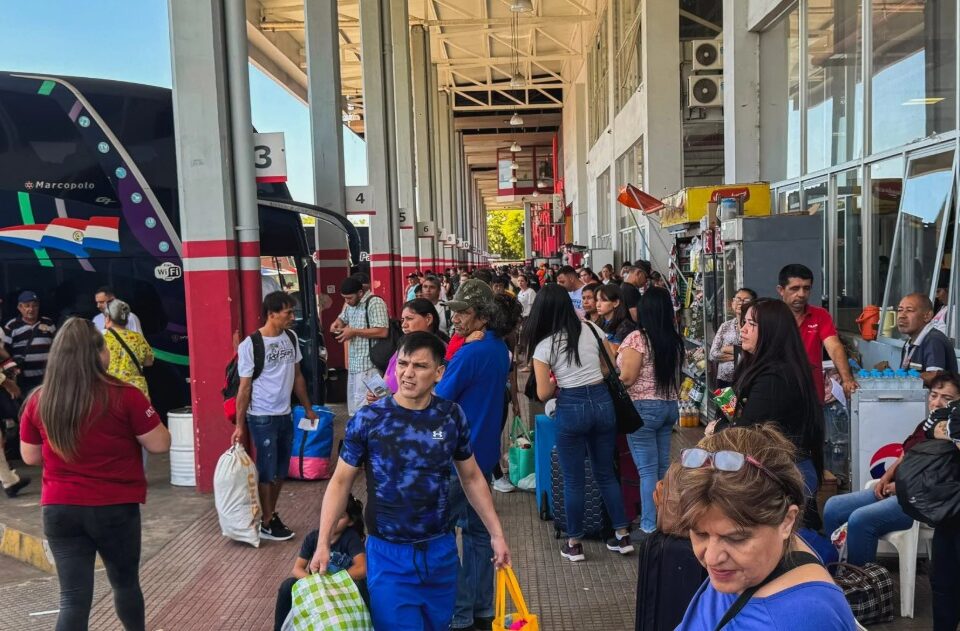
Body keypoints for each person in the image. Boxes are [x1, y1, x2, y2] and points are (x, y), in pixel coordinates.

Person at [309, 332, 510, 631]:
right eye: (403, 364)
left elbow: (471, 477)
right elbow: (340, 483)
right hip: (389, 555)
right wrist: (322, 542)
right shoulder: (369, 419)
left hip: (440, 550)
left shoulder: (450, 416)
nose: (408, 373)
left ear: (439, 372)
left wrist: (496, 534)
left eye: (420, 366)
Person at [19, 318, 172, 631]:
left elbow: (30, 456)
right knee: (125, 584)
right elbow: (159, 444)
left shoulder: (39, 400)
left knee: (73, 599)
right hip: (115, 509)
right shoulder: (125, 395)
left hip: (60, 509)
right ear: (98, 354)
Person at [674, 425, 857, 631]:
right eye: (700, 533)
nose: (711, 559)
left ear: (787, 521)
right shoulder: (756, 563)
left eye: (735, 538)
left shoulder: (805, 619)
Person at [521, 284, 633, 561]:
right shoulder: (593, 329)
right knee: (606, 473)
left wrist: (559, 382)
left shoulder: (545, 345)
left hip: (571, 407)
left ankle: (574, 543)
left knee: (573, 479)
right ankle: (622, 536)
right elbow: (609, 368)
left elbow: (543, 393)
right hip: (603, 403)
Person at [435, 280, 511, 631]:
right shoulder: (497, 349)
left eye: (464, 312)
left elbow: (438, 397)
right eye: (455, 312)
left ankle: (460, 614)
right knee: (480, 536)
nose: (457, 319)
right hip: (484, 454)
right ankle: (481, 609)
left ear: (482, 316)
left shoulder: (470, 353)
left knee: (444, 534)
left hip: (456, 460)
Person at [824, 372, 960, 567]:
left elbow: (939, 482)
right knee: (833, 507)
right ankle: (834, 573)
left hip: (920, 502)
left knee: (860, 520)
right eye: (933, 395)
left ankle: (861, 590)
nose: (937, 402)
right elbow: (906, 454)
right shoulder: (927, 425)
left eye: (947, 398)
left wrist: (900, 487)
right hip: (897, 489)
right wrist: (886, 478)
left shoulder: (952, 435)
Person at [713, 298, 825, 515]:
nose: (743, 330)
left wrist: (716, 429)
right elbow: (728, 408)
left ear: (771, 331)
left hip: (784, 475)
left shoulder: (776, 376)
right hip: (767, 469)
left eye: (751, 325)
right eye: (743, 323)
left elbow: (745, 431)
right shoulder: (752, 364)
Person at [231, 292, 318, 542]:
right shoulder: (251, 344)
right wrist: (239, 425)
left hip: (285, 414)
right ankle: (267, 520)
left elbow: (297, 376)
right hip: (261, 416)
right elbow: (244, 387)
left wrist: (308, 407)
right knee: (268, 470)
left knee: (280, 470)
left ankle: (269, 516)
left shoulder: (290, 338)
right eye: (287, 312)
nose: (292, 317)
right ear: (271, 314)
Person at [617, 287, 684, 538]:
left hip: (643, 409)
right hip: (668, 407)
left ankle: (648, 526)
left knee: (647, 471)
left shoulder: (638, 338)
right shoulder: (673, 340)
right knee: (662, 468)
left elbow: (628, 377)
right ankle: (665, 520)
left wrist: (611, 380)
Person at [274, 495, 367, 631]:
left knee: (361, 585)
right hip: (317, 586)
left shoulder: (351, 538)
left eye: (340, 517)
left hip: (343, 587)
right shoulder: (313, 537)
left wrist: (333, 581)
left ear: (350, 521)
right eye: (329, 516)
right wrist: (315, 582)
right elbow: (297, 568)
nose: (333, 522)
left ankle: (368, 624)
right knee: (288, 585)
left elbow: (361, 568)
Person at [777, 264, 857, 399]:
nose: (801, 294)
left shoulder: (820, 315)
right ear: (781, 290)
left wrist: (847, 379)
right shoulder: (770, 317)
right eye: (795, 289)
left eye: (806, 288)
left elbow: (834, 347)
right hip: (778, 391)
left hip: (812, 393)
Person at [331, 276, 389, 416]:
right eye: (344, 298)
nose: (347, 301)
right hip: (355, 365)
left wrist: (354, 331)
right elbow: (342, 318)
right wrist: (337, 323)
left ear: (360, 293)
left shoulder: (374, 302)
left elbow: (383, 331)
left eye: (349, 298)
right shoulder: (350, 305)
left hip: (371, 366)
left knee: (371, 409)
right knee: (356, 409)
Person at [379, 298, 445, 396]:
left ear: (428, 319)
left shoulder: (440, 350)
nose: (404, 325)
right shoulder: (403, 347)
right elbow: (387, 377)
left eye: (409, 319)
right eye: (402, 320)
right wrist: (379, 395)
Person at [3, 291, 56, 393]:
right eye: (27, 306)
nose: (31, 309)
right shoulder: (11, 326)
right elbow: (5, 352)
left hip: (47, 379)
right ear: (20, 307)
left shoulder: (48, 323)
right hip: (24, 381)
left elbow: (56, 347)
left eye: (34, 306)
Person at [103, 300, 154, 399]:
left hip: (113, 390)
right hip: (137, 391)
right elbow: (148, 362)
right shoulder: (137, 338)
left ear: (108, 318)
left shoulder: (102, 338)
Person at [897, 292, 958, 374]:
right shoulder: (909, 343)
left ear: (927, 316)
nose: (902, 315)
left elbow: (934, 377)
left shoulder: (934, 340)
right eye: (900, 310)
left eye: (909, 310)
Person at [709, 288, 757, 389]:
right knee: (725, 405)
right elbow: (713, 354)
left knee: (746, 405)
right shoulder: (725, 326)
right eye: (738, 299)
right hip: (723, 381)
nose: (740, 303)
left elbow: (755, 353)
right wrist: (740, 355)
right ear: (733, 302)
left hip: (747, 380)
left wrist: (726, 349)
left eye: (746, 300)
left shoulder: (756, 326)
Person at [596, 284, 636, 353]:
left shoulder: (625, 326)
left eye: (603, 300)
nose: (598, 305)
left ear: (616, 303)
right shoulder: (599, 322)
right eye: (597, 300)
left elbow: (615, 352)